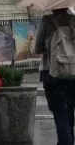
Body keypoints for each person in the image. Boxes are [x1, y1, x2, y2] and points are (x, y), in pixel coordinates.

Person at [34, 8, 75, 145]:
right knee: (69, 110)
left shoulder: (46, 21)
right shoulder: (74, 19)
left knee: (59, 112)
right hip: (72, 72)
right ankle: (68, 139)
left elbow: (37, 48)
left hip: (51, 73)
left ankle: (65, 141)